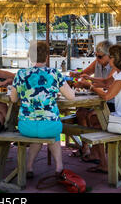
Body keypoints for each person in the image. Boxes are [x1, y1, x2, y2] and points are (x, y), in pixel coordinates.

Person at [10, 41, 75, 179]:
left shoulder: (21, 74)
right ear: (47, 57)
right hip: (50, 126)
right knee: (53, 133)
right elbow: (71, 96)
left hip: (26, 125)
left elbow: (13, 99)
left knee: (37, 135)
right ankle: (59, 167)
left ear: (30, 56)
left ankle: (29, 166)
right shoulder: (54, 73)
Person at [87, 44, 121, 174]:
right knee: (93, 117)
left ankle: (103, 163)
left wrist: (90, 87)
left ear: (116, 59)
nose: (108, 59)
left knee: (95, 121)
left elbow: (107, 96)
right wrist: (89, 80)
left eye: (110, 57)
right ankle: (100, 158)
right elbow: (106, 83)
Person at [68, 40, 118, 162]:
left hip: (112, 103)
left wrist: (89, 84)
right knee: (80, 112)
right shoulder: (97, 62)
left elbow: (107, 84)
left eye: (100, 56)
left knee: (92, 116)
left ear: (109, 56)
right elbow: (84, 73)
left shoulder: (115, 66)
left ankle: (98, 155)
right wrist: (75, 74)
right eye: (95, 55)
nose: (97, 58)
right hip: (97, 100)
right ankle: (86, 147)